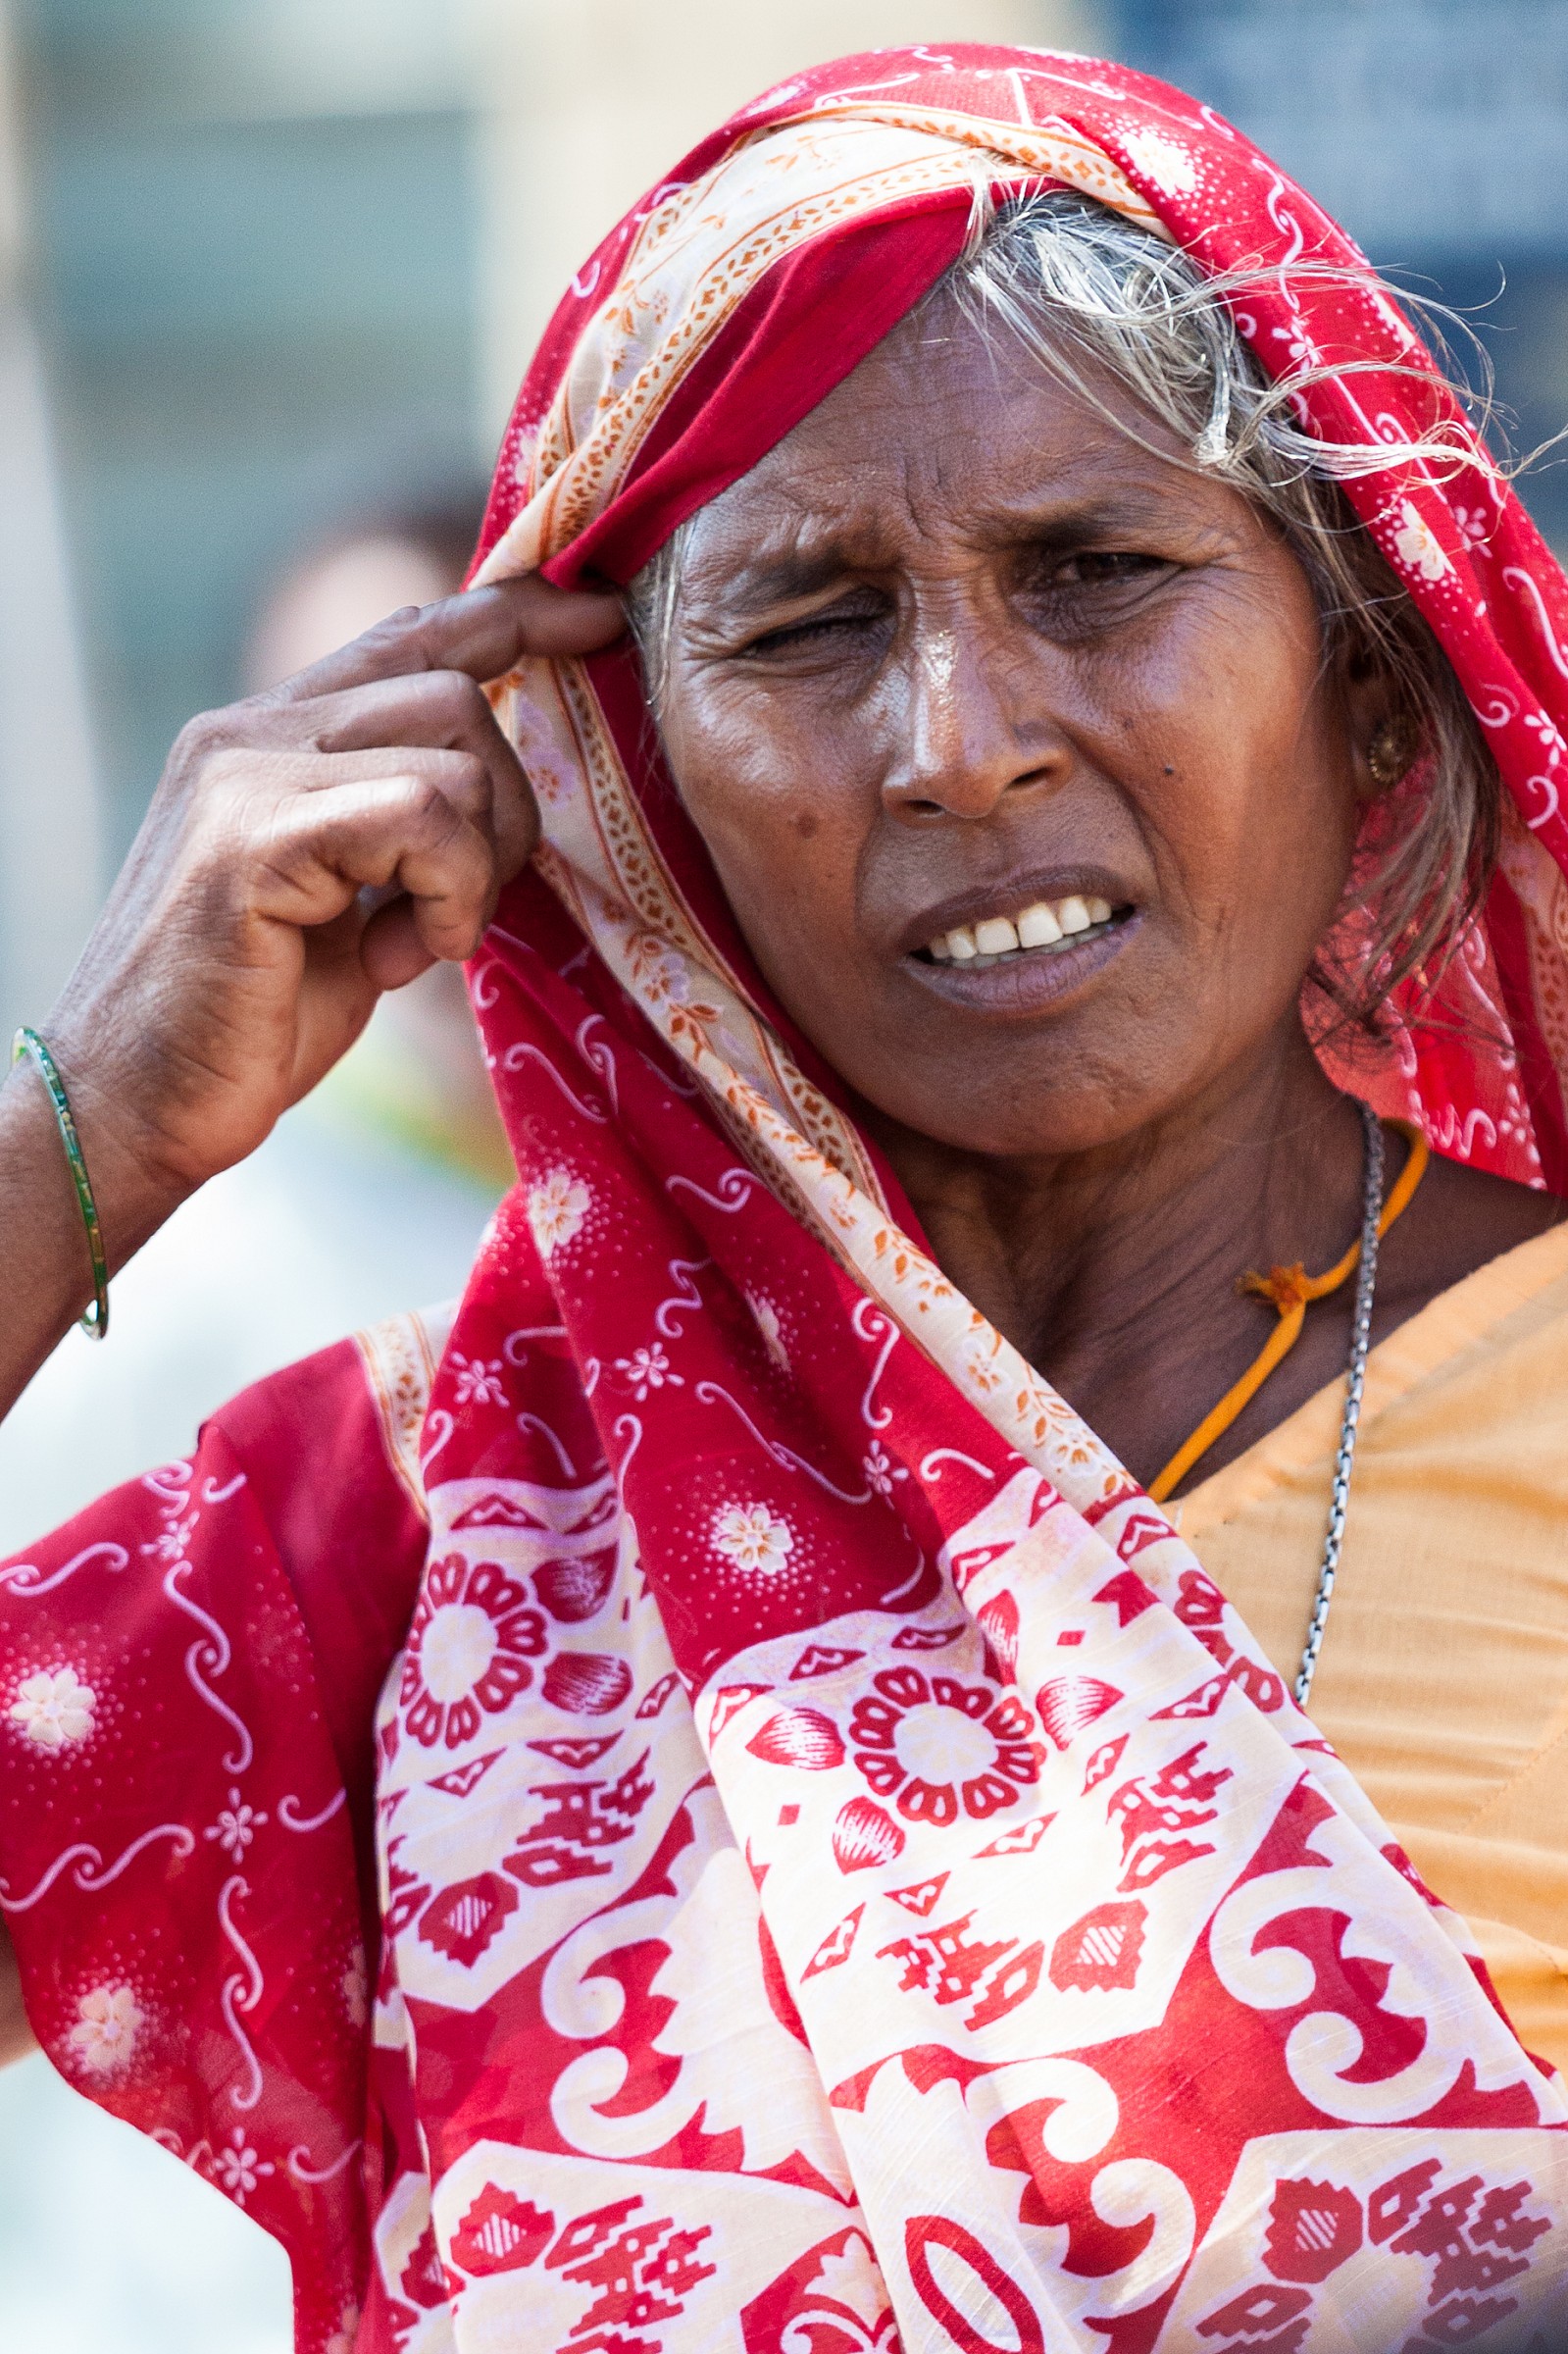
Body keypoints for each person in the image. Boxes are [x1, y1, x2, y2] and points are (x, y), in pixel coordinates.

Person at [1, 45, 1566, 2352]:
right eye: (804, 622)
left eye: (1096, 569)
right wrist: (90, 1132)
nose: (957, 738)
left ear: (1361, 686)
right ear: (622, 775)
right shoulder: (447, 1519)